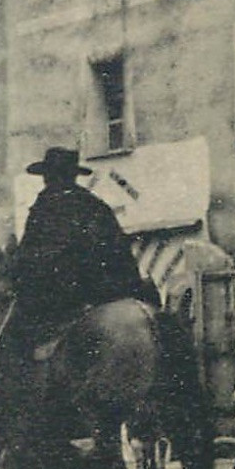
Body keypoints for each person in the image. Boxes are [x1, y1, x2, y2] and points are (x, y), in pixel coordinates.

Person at [8, 147, 149, 348]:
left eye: (48, 176)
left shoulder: (45, 207)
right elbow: (120, 249)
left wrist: (18, 272)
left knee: (18, 339)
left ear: (49, 176)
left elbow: (28, 254)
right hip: (114, 289)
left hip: (64, 297)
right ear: (73, 176)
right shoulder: (97, 205)